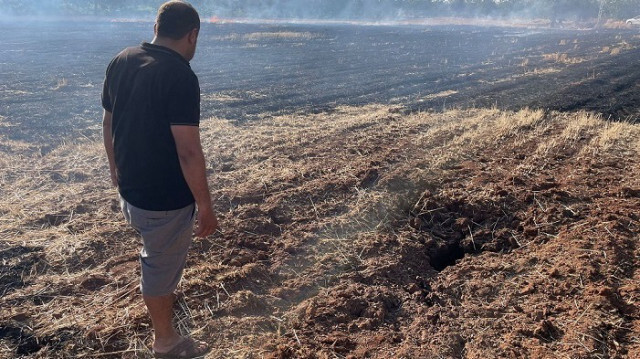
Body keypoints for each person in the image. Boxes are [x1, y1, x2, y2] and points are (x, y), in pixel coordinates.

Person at [101, 1, 218, 358]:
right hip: (163, 198)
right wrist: (206, 205)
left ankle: (163, 303)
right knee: (159, 265)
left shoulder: (123, 59)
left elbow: (108, 122)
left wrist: (114, 166)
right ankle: (166, 341)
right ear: (191, 34)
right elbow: (188, 151)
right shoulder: (179, 74)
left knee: (156, 256)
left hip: (131, 188)